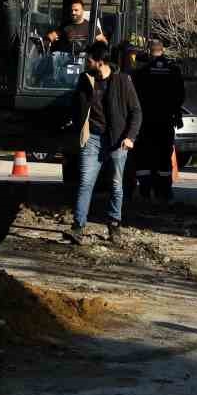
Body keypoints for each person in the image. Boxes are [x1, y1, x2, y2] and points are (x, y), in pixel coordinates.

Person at [66, 40, 141, 245]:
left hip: (117, 142)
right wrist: (76, 126)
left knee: (116, 185)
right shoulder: (86, 80)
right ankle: (78, 226)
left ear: (99, 62)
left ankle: (114, 225)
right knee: (85, 182)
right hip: (93, 139)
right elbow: (76, 106)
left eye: (88, 60)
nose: (85, 63)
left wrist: (130, 137)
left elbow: (136, 112)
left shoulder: (123, 81)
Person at [132, 38, 186, 202]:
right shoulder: (173, 70)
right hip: (166, 120)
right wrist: (177, 115)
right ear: (162, 51)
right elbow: (180, 95)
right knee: (164, 154)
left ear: (149, 51)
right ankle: (164, 191)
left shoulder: (142, 71)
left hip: (146, 121)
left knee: (145, 155)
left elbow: (135, 96)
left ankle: (145, 191)